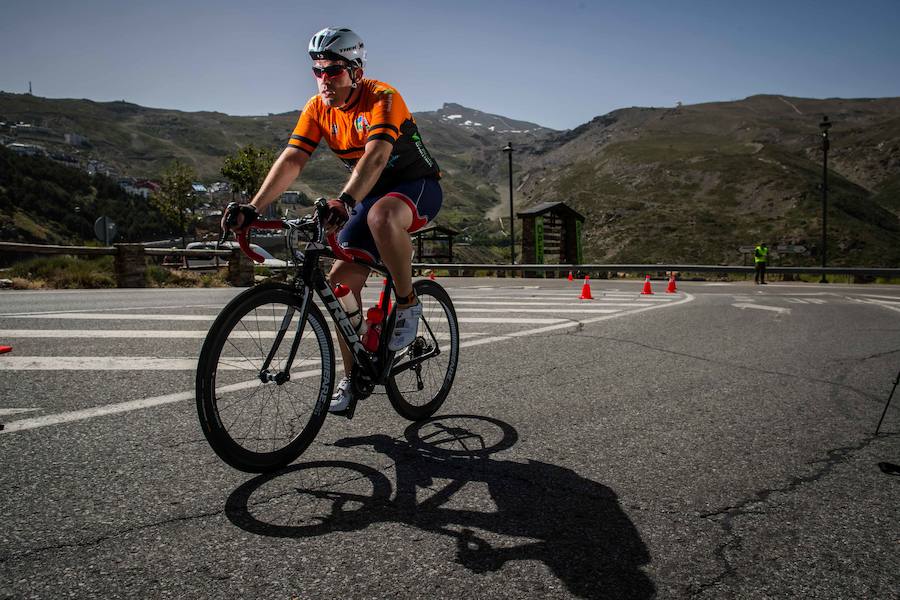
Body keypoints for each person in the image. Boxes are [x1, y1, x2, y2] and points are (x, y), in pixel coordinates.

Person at [221, 27, 442, 413]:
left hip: (415, 185)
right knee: (340, 283)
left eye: (334, 70)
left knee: (382, 215)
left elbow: (375, 157)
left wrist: (344, 201)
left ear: (355, 70)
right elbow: (292, 159)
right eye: (317, 70)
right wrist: (254, 207)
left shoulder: (383, 97)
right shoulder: (317, 108)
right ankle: (354, 373)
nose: (324, 79)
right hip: (367, 193)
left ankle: (407, 302)